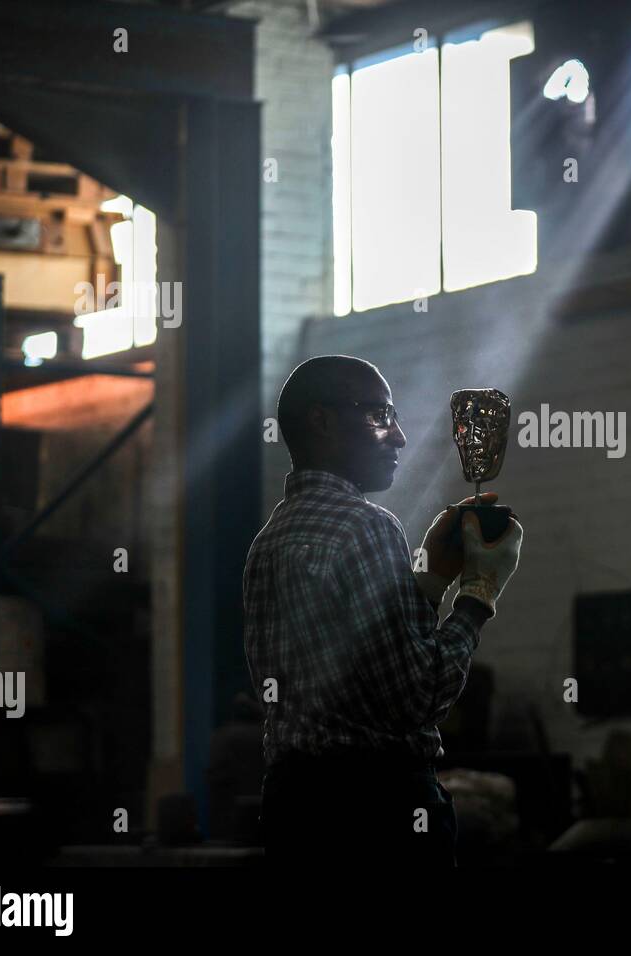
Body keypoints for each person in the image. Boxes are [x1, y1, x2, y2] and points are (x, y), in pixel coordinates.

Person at [243, 355, 522, 866]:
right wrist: (479, 594)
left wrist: (431, 581)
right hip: (380, 814)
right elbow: (415, 697)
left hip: (295, 810)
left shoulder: (269, 542)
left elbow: (355, 666)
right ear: (323, 421)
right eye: (379, 415)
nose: (398, 437)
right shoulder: (368, 527)